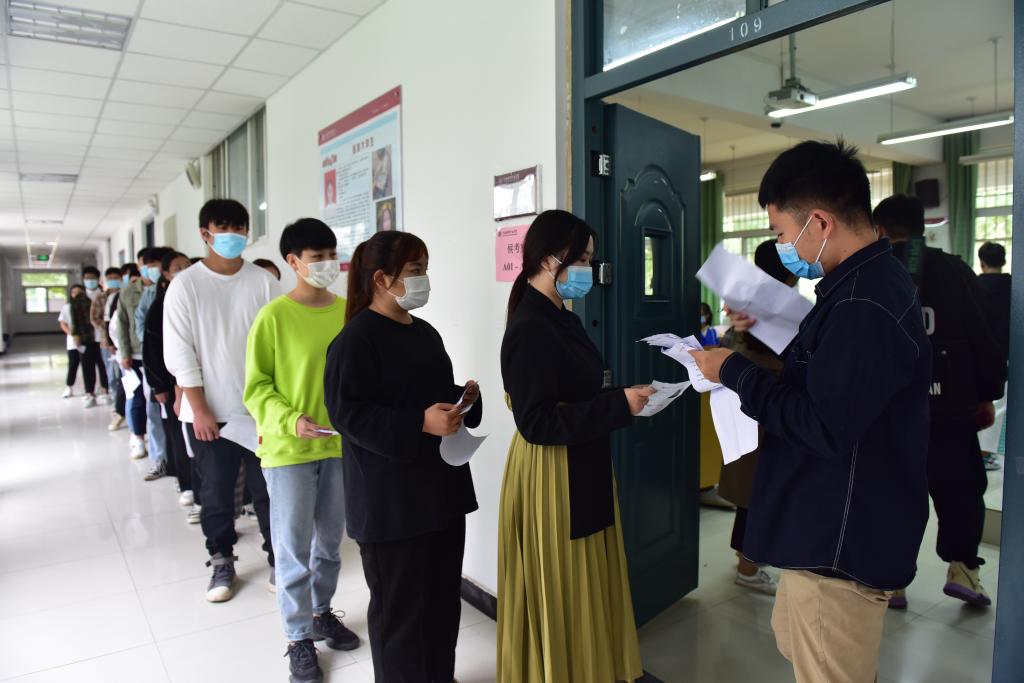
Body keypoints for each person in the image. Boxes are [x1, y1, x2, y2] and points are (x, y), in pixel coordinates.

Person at [689, 141, 931, 683]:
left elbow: (822, 423)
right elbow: (831, 373)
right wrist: (767, 329)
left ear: (819, 222)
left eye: (780, 233)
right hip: (829, 526)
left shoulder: (864, 302)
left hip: (839, 545)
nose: (782, 247)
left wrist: (734, 370)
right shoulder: (862, 284)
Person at [497, 209, 654, 683]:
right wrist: (618, 406)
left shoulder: (561, 316)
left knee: (589, 576)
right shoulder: (530, 326)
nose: (588, 269)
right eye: (582, 259)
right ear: (550, 260)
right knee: (564, 582)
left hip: (581, 459)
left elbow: (577, 392)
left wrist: (623, 398)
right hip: (553, 474)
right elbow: (537, 422)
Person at [323, 230, 481, 683]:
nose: (423, 279)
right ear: (381, 279)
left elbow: (428, 395)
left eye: (425, 269)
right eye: (415, 270)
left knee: (441, 605)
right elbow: (349, 415)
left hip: (441, 495)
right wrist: (419, 423)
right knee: (401, 618)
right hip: (391, 505)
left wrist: (464, 401)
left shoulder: (425, 333)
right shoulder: (354, 341)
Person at [873, 194, 1006, 608]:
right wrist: (987, 394)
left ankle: (891, 579)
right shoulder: (955, 269)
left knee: (893, 491)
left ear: (879, 229)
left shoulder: (873, 270)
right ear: (922, 228)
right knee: (962, 489)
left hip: (892, 411)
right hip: (952, 407)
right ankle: (964, 570)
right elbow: (983, 334)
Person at [244, 219, 360, 683]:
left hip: (338, 445)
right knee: (293, 547)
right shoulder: (273, 317)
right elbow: (256, 388)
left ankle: (320, 612)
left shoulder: (349, 312)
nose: (328, 264)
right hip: (288, 449)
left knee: (329, 543)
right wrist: (292, 420)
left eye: (332, 254)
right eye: (317, 257)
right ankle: (297, 638)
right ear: (293, 262)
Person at [164, 198, 278, 602]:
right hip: (209, 414)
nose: (233, 235)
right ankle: (221, 560)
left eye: (240, 227)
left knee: (269, 491)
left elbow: (278, 345)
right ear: (205, 234)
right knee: (216, 493)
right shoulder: (186, 285)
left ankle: (278, 559)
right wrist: (200, 409)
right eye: (224, 227)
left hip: (261, 413)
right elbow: (181, 353)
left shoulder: (263, 282)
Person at [716, 238, 797, 596]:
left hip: (746, 407)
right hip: (768, 409)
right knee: (760, 491)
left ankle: (746, 560)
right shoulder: (779, 309)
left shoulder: (749, 304)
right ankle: (748, 566)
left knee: (752, 489)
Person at [143, 251, 195, 510]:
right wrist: (159, 386)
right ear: (165, 274)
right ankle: (186, 484)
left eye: (187, 265)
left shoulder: (196, 296)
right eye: (177, 267)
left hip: (196, 380)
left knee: (196, 439)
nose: (184, 269)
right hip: (171, 383)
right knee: (179, 435)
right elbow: (151, 349)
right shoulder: (160, 304)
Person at [134, 247, 175, 481]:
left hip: (176, 366)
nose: (153, 270)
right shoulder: (150, 295)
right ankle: (160, 459)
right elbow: (140, 325)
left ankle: (177, 465)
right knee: (155, 413)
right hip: (154, 362)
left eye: (156, 265)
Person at [116, 249, 157, 460]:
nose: (152, 269)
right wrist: (124, 353)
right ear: (140, 267)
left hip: (157, 354)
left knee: (156, 402)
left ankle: (158, 444)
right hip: (135, 352)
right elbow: (122, 324)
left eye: (155, 264)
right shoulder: (128, 292)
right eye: (147, 265)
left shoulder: (164, 288)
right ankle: (138, 438)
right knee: (136, 397)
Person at [92, 266, 127, 430]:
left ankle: (121, 406)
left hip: (123, 343)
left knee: (123, 378)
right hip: (107, 342)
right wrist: (111, 341)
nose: (113, 280)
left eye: (116, 277)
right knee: (113, 376)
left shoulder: (125, 294)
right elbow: (98, 319)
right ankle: (116, 405)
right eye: (110, 278)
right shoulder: (102, 297)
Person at [81, 266, 111, 402]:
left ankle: (105, 389)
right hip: (86, 338)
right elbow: (75, 319)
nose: (89, 280)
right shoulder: (80, 297)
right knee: (87, 366)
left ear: (98, 279)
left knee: (103, 364)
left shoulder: (105, 295)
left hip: (103, 338)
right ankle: (89, 392)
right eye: (87, 278)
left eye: (92, 278)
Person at [977, 241, 1010, 355]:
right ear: (1004, 262)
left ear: (981, 263)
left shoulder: (973, 285)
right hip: (1009, 345)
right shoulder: (1014, 286)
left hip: (981, 345)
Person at [57, 285, 86, 401]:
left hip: (87, 340)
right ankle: (69, 386)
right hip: (72, 341)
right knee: (73, 364)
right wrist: (72, 333)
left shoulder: (88, 305)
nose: (76, 294)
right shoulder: (67, 307)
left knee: (87, 365)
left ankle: (88, 389)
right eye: (74, 292)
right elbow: (63, 323)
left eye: (79, 292)